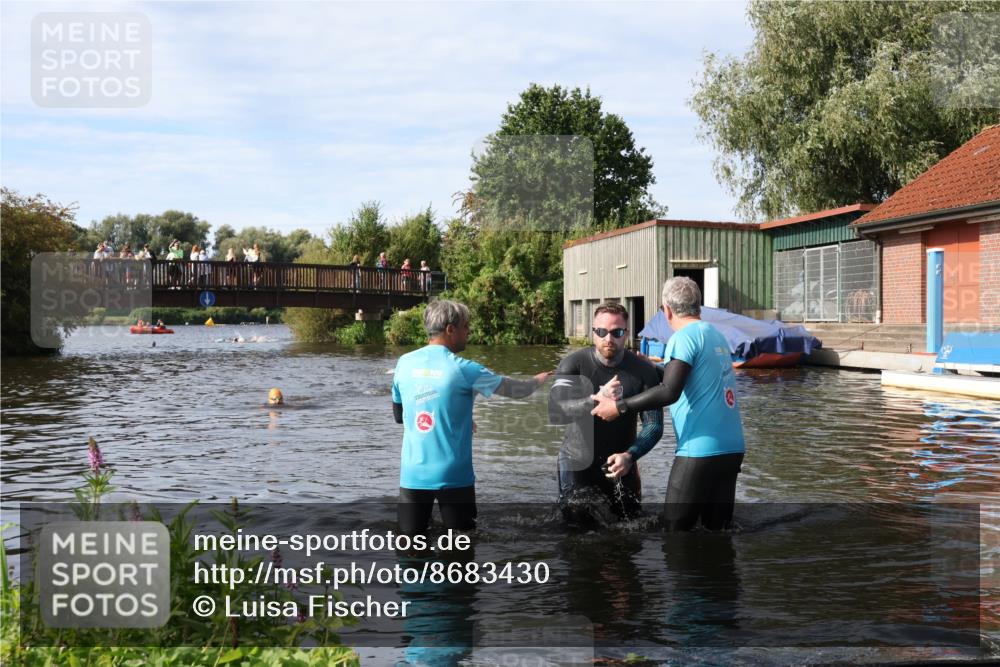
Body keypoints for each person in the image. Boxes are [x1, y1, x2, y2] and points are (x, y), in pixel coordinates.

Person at [591, 277, 746, 531]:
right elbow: (691, 376)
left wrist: (619, 406)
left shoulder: (682, 337)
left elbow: (669, 391)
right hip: (732, 449)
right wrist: (655, 368)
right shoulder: (715, 334)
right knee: (717, 531)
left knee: (674, 531)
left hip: (699, 450)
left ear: (667, 310)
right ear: (699, 306)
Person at [391, 299, 552, 535]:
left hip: (412, 475)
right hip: (454, 477)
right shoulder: (465, 369)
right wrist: (541, 378)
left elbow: (400, 415)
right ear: (450, 329)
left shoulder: (404, 363)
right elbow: (519, 391)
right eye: (466, 326)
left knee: (410, 550)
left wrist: (455, 415)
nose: (469, 331)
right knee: (462, 549)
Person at [548, 301, 663, 522]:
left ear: (626, 334)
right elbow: (557, 410)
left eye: (616, 332)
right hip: (577, 463)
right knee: (577, 532)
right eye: (601, 332)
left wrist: (630, 456)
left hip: (621, 464)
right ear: (593, 333)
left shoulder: (644, 371)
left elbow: (654, 425)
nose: (608, 339)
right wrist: (595, 400)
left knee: (629, 532)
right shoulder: (573, 365)